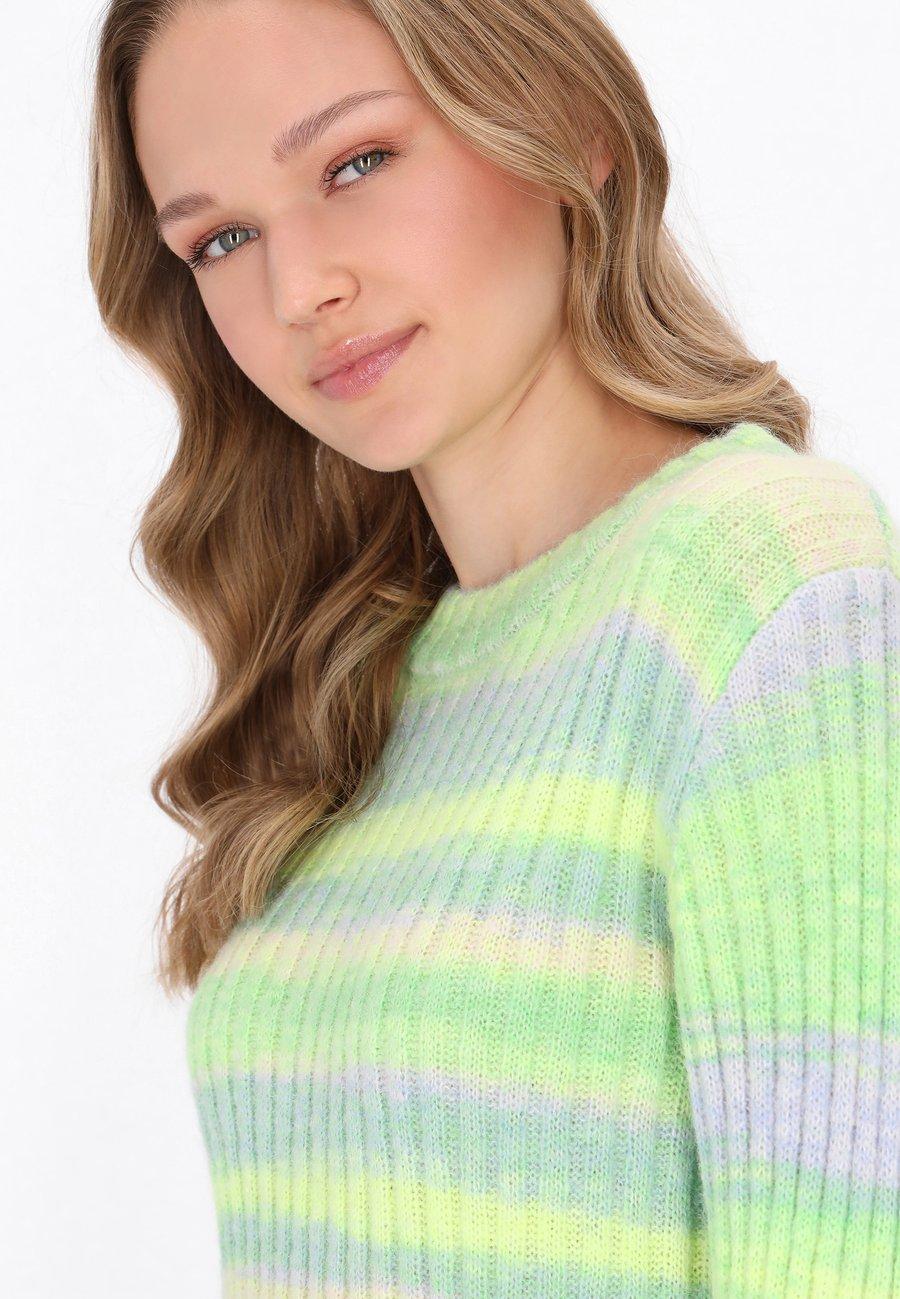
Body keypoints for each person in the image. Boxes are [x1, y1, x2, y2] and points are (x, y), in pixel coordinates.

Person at [87, 0, 900, 1294]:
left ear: (570, 125)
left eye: (356, 162)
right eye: (222, 238)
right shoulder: (366, 680)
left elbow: (841, 1256)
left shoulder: (769, 587)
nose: (299, 291)